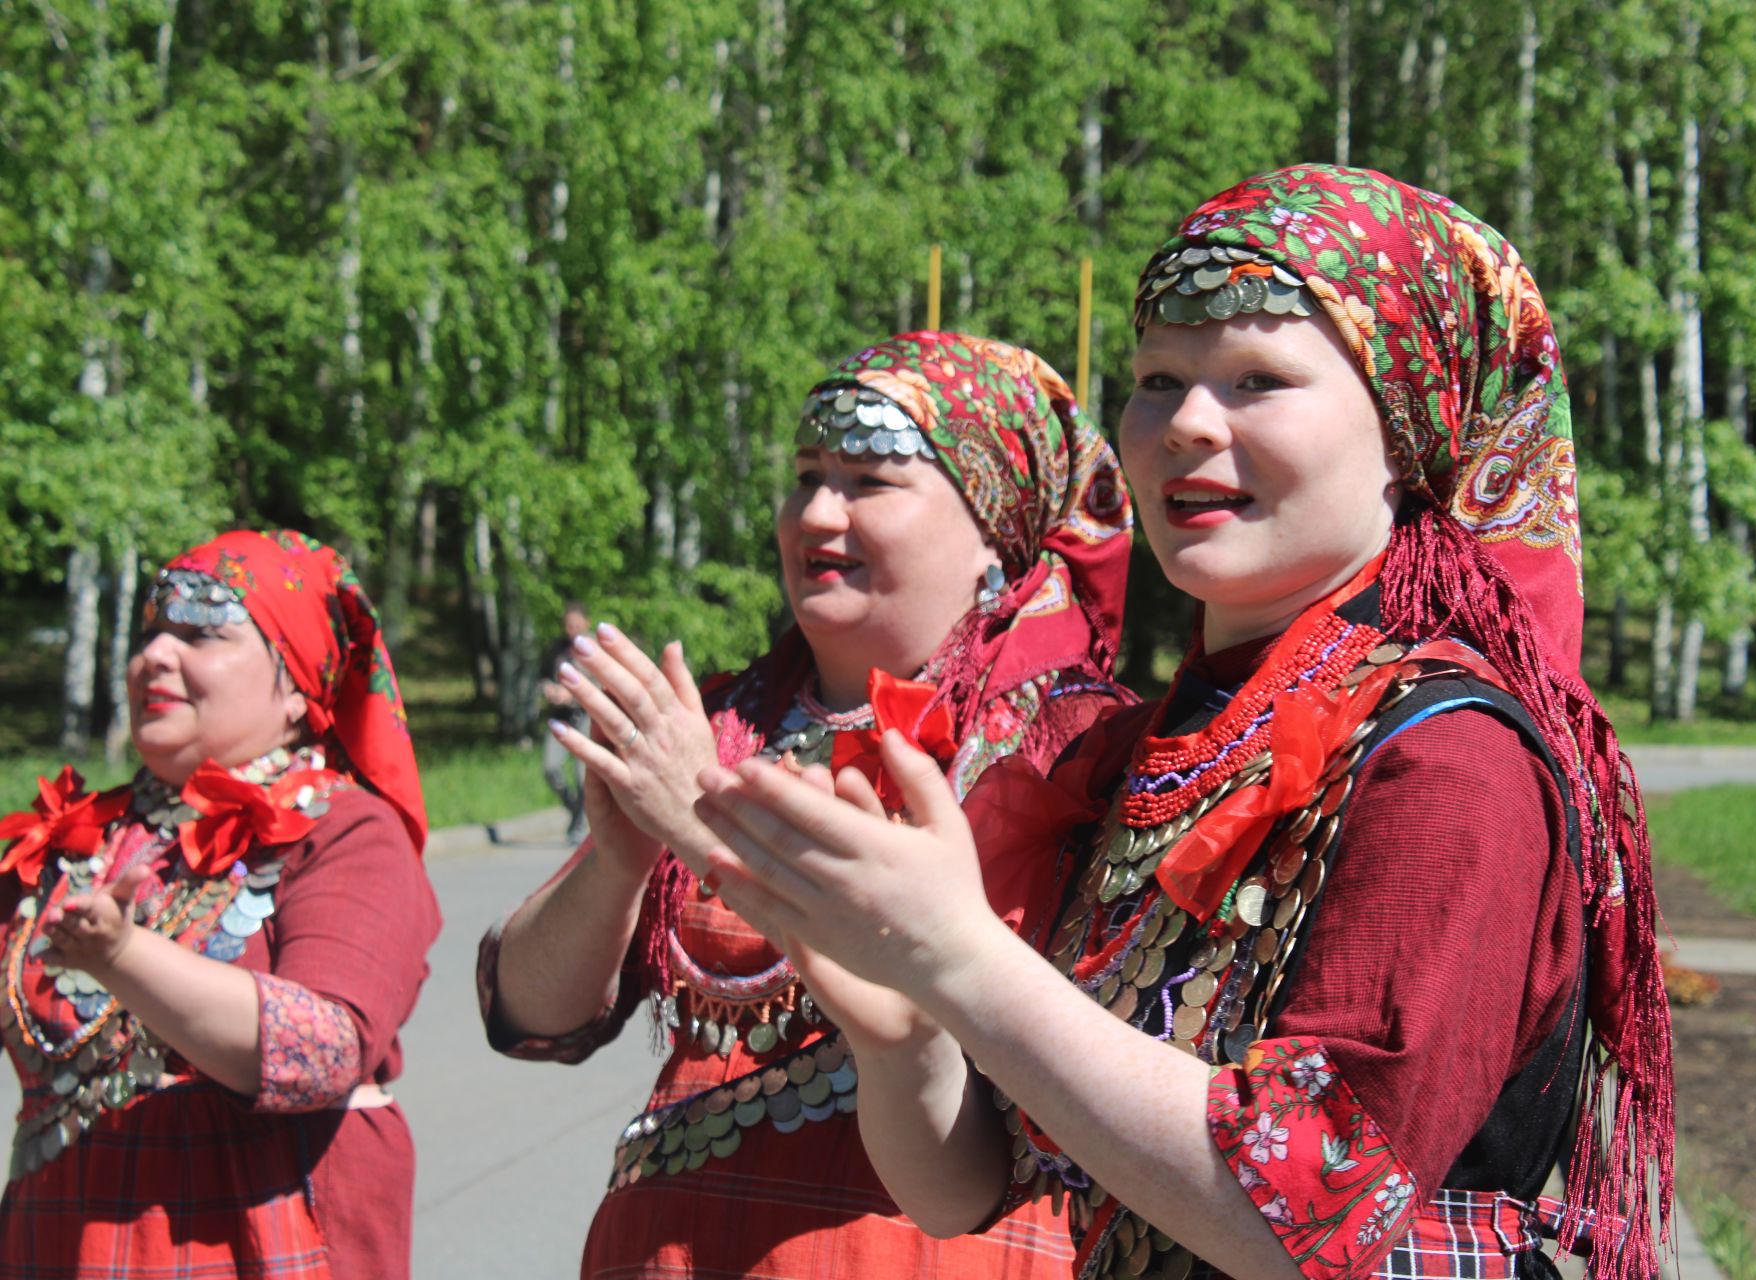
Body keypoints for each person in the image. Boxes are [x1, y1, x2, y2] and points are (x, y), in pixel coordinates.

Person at [691, 166, 1675, 1280]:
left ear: (1406, 432)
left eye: (1259, 378)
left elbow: (1303, 1210)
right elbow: (963, 1191)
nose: (1188, 425)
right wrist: (899, 1028)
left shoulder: (1452, 759)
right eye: (1159, 378)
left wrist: (958, 954)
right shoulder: (1156, 747)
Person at [476, 331, 1134, 1277]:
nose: (818, 513)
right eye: (806, 474)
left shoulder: (1070, 748)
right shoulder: (724, 723)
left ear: (992, 522)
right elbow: (532, 1015)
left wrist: (700, 820)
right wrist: (622, 855)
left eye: (870, 481)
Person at [0, 529, 440, 1277]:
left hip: (250, 1236)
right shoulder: (71, 839)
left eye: (202, 633)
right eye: (150, 632)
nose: (156, 656)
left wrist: (124, 956)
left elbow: (323, 1050)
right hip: (61, 1237)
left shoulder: (344, 831)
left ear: (297, 690)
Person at [542, 601, 594, 843]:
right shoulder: (557, 648)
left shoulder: (594, 650)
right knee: (550, 768)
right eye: (568, 624)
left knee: (582, 774)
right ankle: (574, 807)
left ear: (586, 623)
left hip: (585, 717)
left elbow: (602, 685)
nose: (571, 629)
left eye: (576, 624)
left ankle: (580, 826)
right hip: (560, 717)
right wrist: (549, 690)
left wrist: (574, 694)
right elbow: (541, 677)